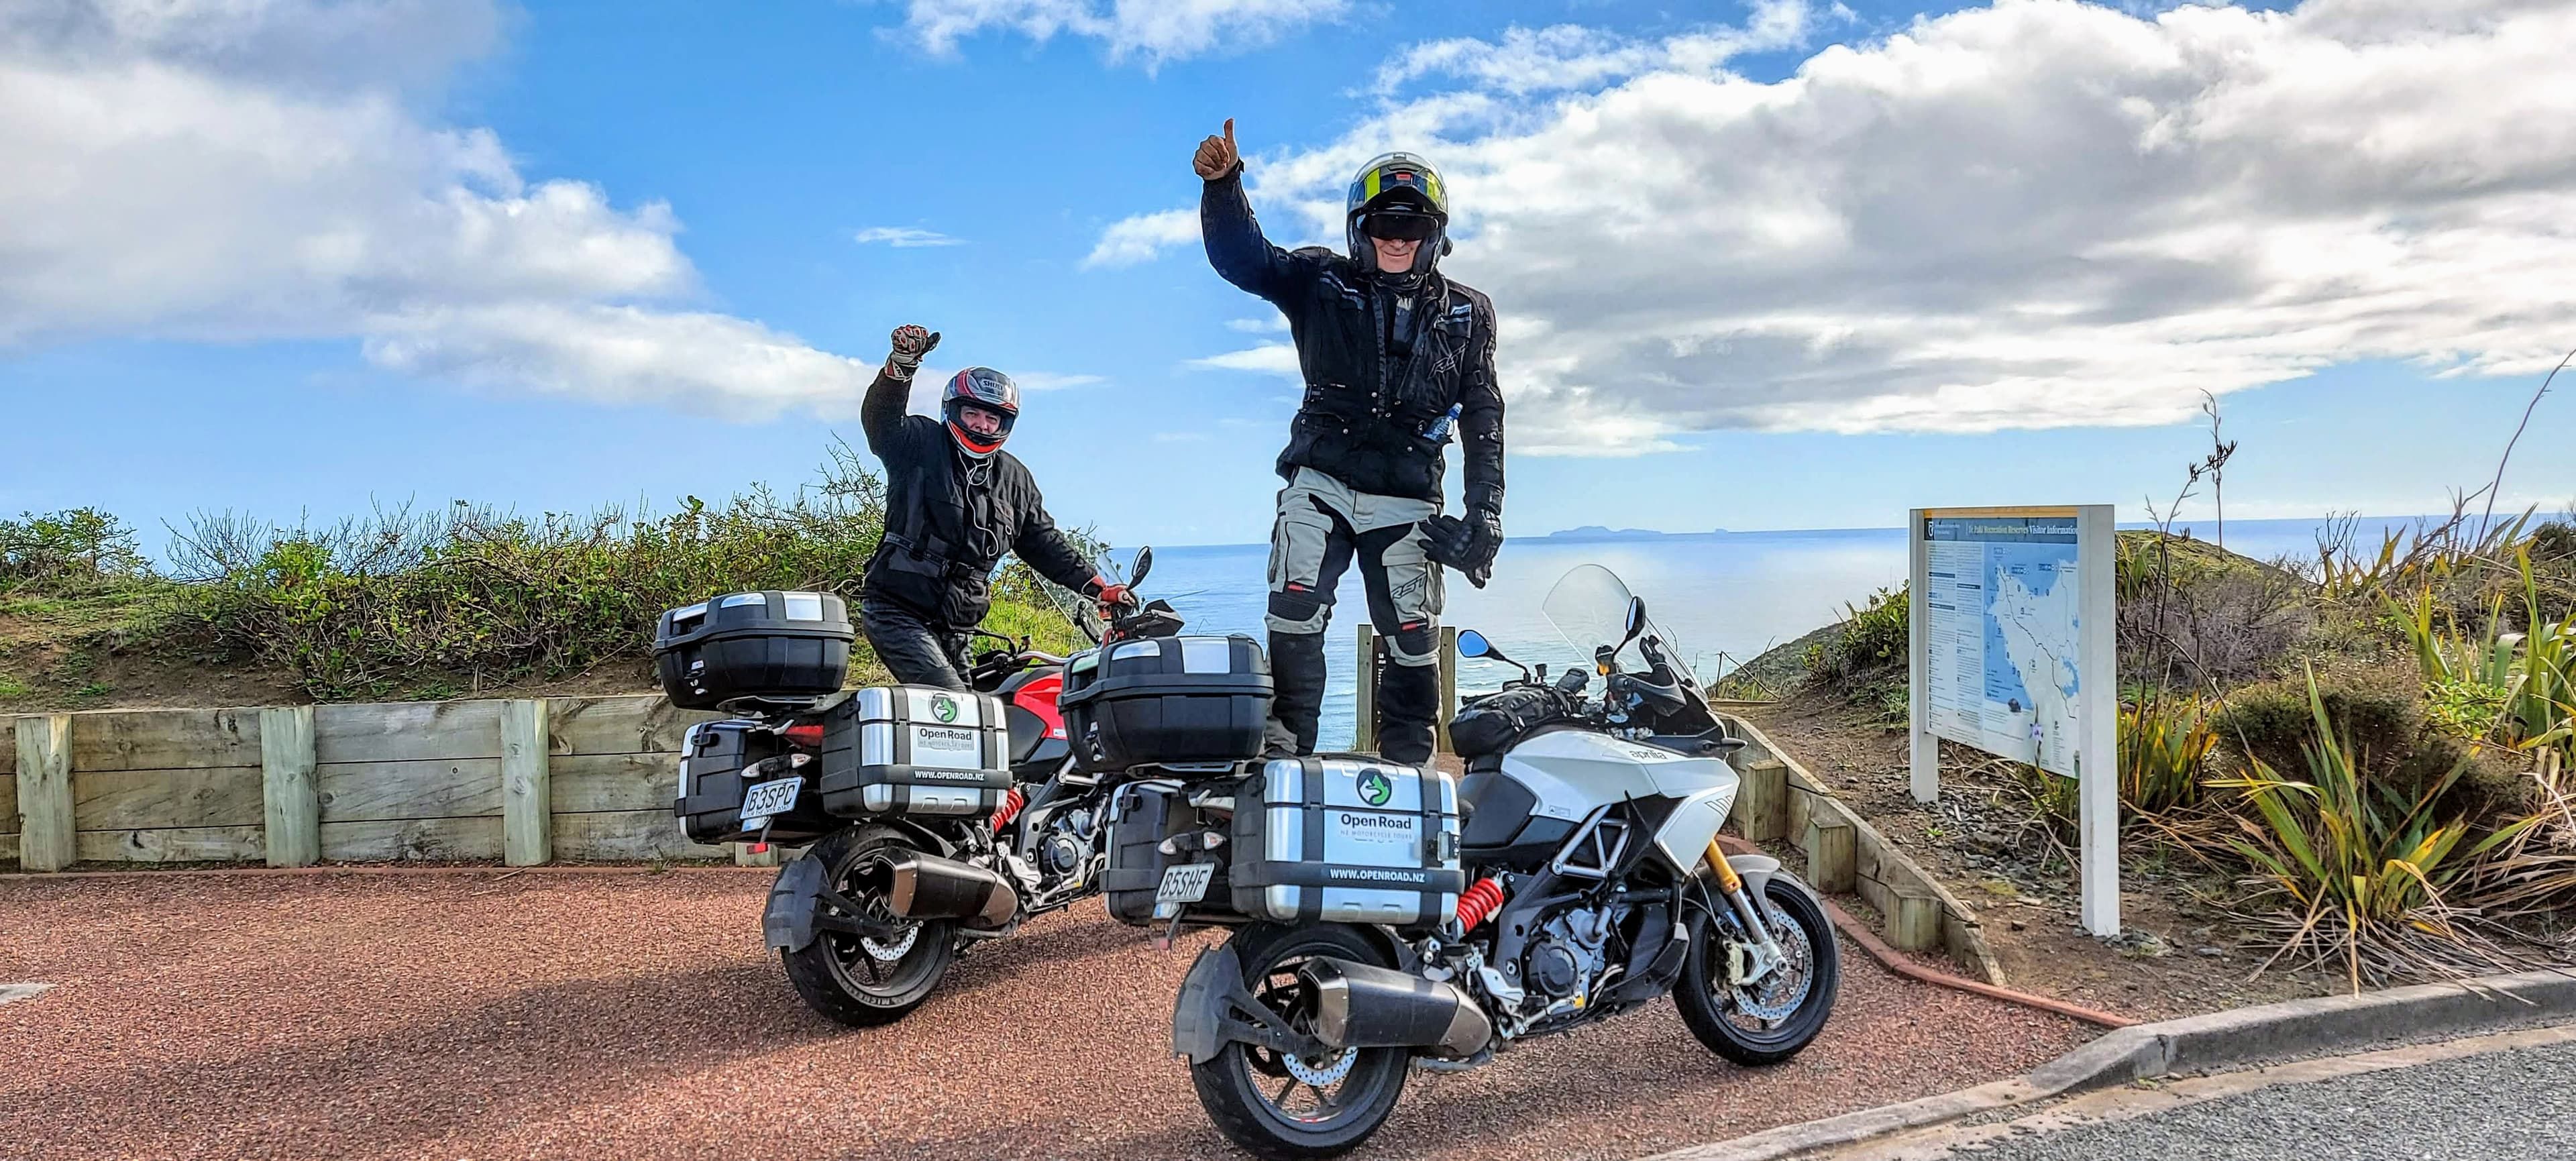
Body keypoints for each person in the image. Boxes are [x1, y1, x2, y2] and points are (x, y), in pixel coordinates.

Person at [1193, 119, 1506, 765]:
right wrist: (1224, 187)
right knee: (1295, 611)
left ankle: (1411, 768)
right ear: (1359, 228)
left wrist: (1486, 513)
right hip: (1321, 481)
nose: (1397, 238)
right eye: (1384, 224)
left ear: (1435, 236)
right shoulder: (1320, 280)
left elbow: (1484, 413)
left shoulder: (1470, 312)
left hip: (1409, 497)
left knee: (1414, 639)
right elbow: (1246, 260)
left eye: (1413, 226)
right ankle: (1283, 756)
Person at [857, 325, 1131, 689]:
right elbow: (881, 422)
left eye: (993, 418)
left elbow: (1044, 544)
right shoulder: (920, 444)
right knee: (956, 706)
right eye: (973, 413)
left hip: (958, 626)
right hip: (898, 613)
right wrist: (901, 366)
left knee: (988, 709)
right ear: (954, 411)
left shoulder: (1014, 478)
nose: (983, 426)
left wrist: (1098, 587)